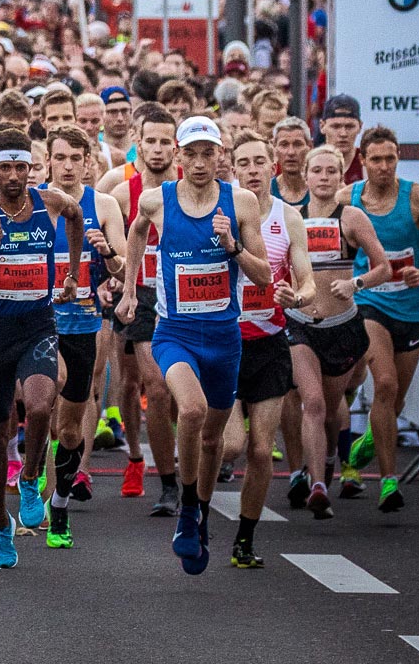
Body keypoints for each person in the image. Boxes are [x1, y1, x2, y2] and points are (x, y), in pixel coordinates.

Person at [119, 116, 270, 575]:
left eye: (209, 153)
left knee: (213, 442)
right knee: (191, 410)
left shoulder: (240, 203)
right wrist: (129, 289)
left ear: (219, 156)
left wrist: (232, 248)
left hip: (225, 339)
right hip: (175, 334)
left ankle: (200, 514)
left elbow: (263, 274)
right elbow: (137, 231)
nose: (200, 162)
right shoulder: (156, 200)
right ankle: (187, 508)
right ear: (179, 157)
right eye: (192, 154)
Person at [0, 129, 84, 569]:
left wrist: (70, 276)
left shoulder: (49, 203)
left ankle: (30, 478)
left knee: (42, 406)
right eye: (5, 167)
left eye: (21, 167)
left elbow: (77, 215)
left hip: (38, 325)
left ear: (32, 168)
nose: (13, 176)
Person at [343, 126, 419, 513]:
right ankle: (389, 482)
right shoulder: (349, 199)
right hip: (371, 302)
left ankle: (363, 448)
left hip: (412, 308)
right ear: (362, 161)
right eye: (375, 159)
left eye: (390, 158)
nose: (383, 166)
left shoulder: (418, 198)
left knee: (392, 402)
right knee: (386, 383)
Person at [283, 145, 390, 517]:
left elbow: (384, 267)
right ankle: (316, 485)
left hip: (342, 326)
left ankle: (327, 458)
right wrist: (286, 294)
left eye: (332, 171)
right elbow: (278, 267)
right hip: (300, 326)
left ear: (341, 176)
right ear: (306, 175)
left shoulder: (352, 217)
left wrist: (356, 284)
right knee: (310, 403)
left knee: (330, 409)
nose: (324, 177)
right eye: (318, 171)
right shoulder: (291, 217)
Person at [227, 130, 313, 566]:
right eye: (245, 163)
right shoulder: (219, 214)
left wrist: (297, 297)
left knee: (261, 450)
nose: (254, 170)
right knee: (228, 445)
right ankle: (195, 507)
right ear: (233, 168)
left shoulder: (288, 217)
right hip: (223, 345)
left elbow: (307, 280)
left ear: (273, 167)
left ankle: (245, 539)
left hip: (269, 344)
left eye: (261, 162)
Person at [43, 125, 125, 548]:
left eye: (77, 159)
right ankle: (34, 486)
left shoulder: (104, 205)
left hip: (83, 324)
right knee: (45, 391)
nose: (69, 167)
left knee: (71, 429)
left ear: (88, 163)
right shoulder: (32, 205)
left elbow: (126, 271)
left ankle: (58, 500)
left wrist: (107, 252)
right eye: (61, 158)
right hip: (40, 325)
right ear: (49, 161)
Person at [99, 103, 182, 512]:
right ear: (137, 142)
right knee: (139, 384)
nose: (158, 149)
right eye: (151, 140)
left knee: (166, 388)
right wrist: (110, 277)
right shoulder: (120, 190)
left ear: (177, 147)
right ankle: (138, 458)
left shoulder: (193, 187)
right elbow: (103, 245)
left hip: (184, 297)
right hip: (139, 294)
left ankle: (178, 464)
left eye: (166, 141)